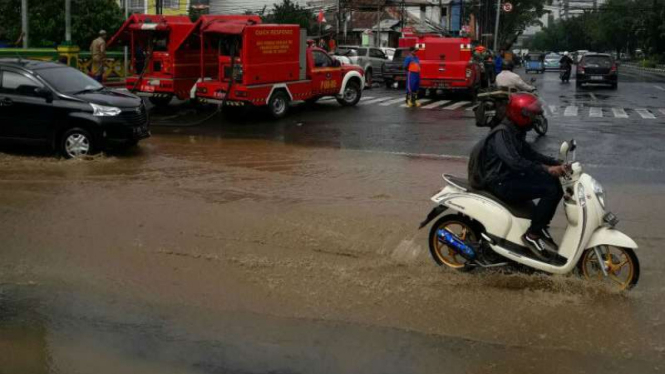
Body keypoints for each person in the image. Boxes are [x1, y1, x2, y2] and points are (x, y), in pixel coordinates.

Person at [470, 93, 565, 260]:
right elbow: (516, 162)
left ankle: (540, 225)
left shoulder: (515, 130)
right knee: (549, 189)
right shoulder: (503, 134)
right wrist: (547, 169)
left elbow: (530, 154)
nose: (535, 118)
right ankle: (532, 235)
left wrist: (555, 162)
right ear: (520, 114)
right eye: (532, 114)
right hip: (498, 182)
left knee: (555, 184)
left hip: (506, 177)